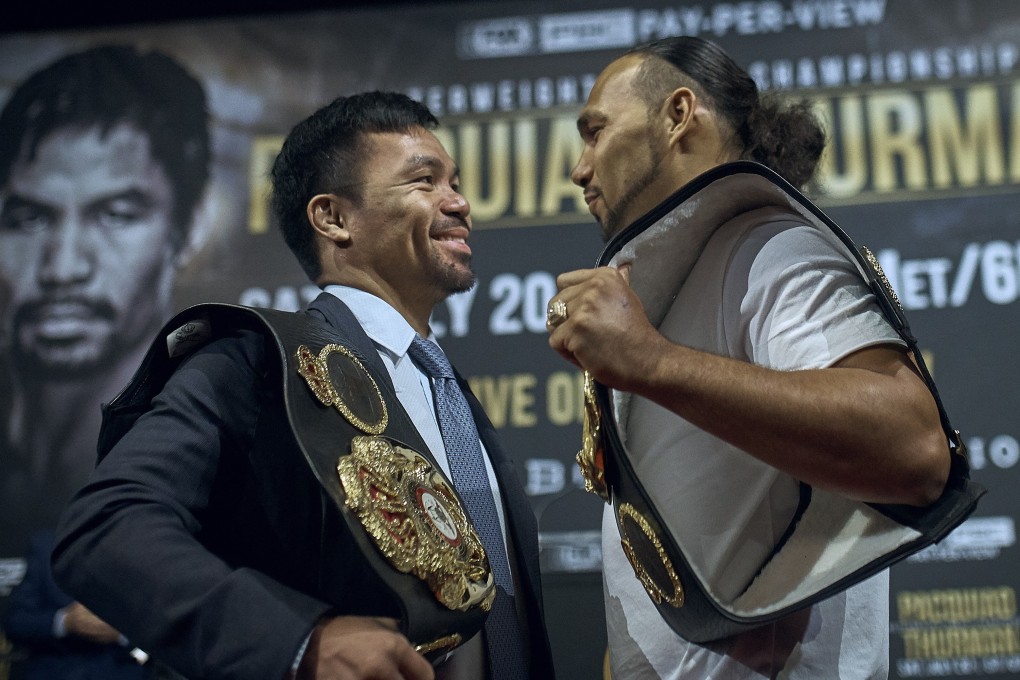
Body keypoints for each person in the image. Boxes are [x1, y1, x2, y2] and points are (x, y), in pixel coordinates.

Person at [51, 91, 555, 680]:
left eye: (456, 181)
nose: (461, 203)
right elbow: (105, 527)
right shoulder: (255, 361)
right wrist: (299, 641)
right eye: (425, 181)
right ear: (333, 218)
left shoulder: (446, 390)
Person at [546, 37, 950, 679]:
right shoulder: (687, 279)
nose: (580, 168)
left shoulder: (771, 250)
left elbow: (915, 447)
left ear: (678, 114)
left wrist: (651, 361)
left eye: (596, 132)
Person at [0, 44, 210, 578]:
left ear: (186, 231)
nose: (63, 268)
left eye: (116, 215)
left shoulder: (215, 462)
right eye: (28, 219)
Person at [3, 531, 149, 680]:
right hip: (56, 671)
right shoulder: (46, 547)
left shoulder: (143, 547)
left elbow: (162, 624)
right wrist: (64, 622)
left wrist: (121, 634)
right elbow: (15, 623)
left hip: (122, 671)